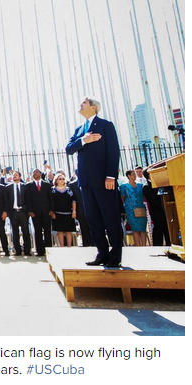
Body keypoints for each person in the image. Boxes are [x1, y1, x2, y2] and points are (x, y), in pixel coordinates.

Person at [66, 97, 122, 267]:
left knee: (110, 218)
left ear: (93, 107)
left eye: (84, 102)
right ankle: (102, 254)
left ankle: (115, 256)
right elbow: (69, 149)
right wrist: (84, 140)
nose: (80, 104)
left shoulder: (106, 125)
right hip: (86, 183)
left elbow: (113, 151)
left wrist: (111, 176)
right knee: (93, 220)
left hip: (104, 181)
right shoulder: (79, 129)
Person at [24, 168, 54, 256]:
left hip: (46, 212)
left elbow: (51, 198)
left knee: (47, 231)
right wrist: (30, 211)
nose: (35, 174)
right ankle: (40, 251)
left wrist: (51, 210)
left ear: (41, 174)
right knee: (37, 232)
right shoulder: (29, 185)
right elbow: (28, 199)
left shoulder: (47, 184)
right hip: (35, 213)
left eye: (36, 172)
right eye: (33, 172)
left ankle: (49, 251)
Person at [5, 170, 31, 256]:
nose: (14, 176)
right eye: (13, 175)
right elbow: (7, 201)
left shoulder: (25, 186)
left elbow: (28, 199)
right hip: (13, 212)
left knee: (25, 231)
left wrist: (27, 210)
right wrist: (8, 212)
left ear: (20, 177)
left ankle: (27, 250)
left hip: (23, 211)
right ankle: (18, 250)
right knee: (15, 232)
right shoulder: (8, 187)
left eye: (16, 175)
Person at [142, 169, 170, 246]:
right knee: (158, 229)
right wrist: (163, 205)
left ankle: (169, 244)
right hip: (157, 211)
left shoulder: (160, 184)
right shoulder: (146, 186)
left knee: (167, 229)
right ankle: (157, 246)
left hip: (165, 211)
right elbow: (153, 201)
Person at [119, 170, 147, 246]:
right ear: (128, 176)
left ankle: (144, 245)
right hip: (130, 209)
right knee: (135, 228)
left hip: (141, 207)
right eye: (133, 174)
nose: (135, 176)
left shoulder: (140, 185)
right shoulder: (124, 187)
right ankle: (138, 245)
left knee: (142, 228)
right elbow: (122, 198)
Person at [51, 173, 77, 247]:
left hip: (68, 213)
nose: (62, 180)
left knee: (69, 231)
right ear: (56, 180)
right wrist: (52, 213)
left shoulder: (68, 189)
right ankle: (61, 247)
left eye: (63, 179)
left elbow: (73, 201)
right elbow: (51, 202)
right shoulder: (52, 190)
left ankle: (69, 247)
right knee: (60, 231)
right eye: (60, 179)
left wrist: (74, 211)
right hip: (57, 213)